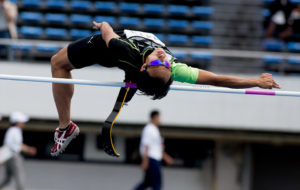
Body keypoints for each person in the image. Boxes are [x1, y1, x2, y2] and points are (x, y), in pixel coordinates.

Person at [50, 21, 280, 156]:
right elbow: (217, 79)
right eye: (166, 64)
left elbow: (107, 30)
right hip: (118, 50)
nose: (163, 57)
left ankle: (64, 128)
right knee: (60, 65)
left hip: (112, 46)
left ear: (145, 65)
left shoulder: (127, 52)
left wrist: (101, 24)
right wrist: (256, 81)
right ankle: (67, 126)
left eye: (161, 63)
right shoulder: (176, 68)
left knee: (57, 63)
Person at [134, 110, 173, 190]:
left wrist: (166, 157)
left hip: (155, 159)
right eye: (159, 117)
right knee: (156, 184)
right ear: (155, 117)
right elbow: (146, 145)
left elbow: (158, 147)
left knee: (147, 182)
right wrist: (145, 161)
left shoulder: (155, 130)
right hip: (152, 159)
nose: (160, 120)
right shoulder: (149, 129)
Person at [0, 112, 36, 190]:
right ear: (17, 122)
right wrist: (29, 149)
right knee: (20, 176)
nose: (23, 123)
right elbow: (14, 145)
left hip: (9, 156)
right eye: (22, 121)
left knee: (8, 178)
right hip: (13, 156)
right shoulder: (15, 130)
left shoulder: (12, 130)